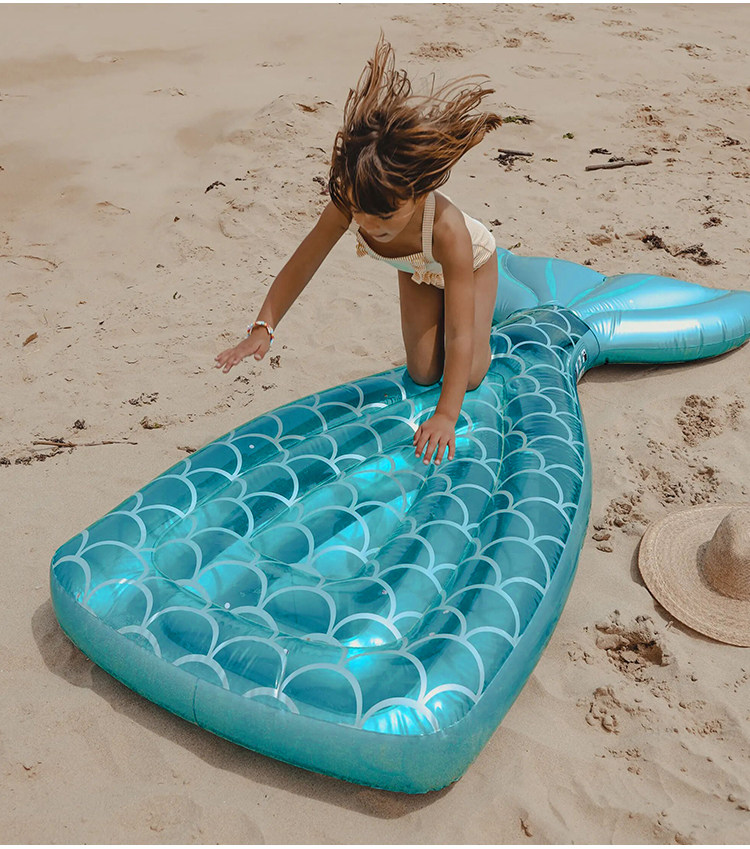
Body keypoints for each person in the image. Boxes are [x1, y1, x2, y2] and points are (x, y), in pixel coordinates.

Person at [215, 33, 502, 466]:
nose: (370, 227)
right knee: (423, 371)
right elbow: (302, 264)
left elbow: (460, 336)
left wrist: (446, 415)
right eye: (363, 216)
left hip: (471, 265)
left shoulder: (449, 232)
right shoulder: (353, 199)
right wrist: (263, 327)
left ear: (417, 193)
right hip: (416, 268)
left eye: (384, 218)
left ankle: (494, 299)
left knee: (470, 373)